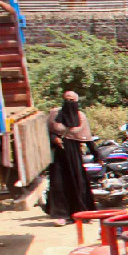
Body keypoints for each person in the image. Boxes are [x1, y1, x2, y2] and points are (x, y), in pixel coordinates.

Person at [44, 90, 95, 225]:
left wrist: (97, 155)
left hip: (75, 156)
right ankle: (63, 216)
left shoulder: (81, 117)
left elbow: (88, 138)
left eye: (72, 100)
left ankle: (82, 214)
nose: (69, 102)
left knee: (79, 184)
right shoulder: (55, 115)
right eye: (67, 99)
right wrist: (54, 139)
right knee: (60, 185)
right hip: (59, 157)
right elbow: (47, 132)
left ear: (77, 102)